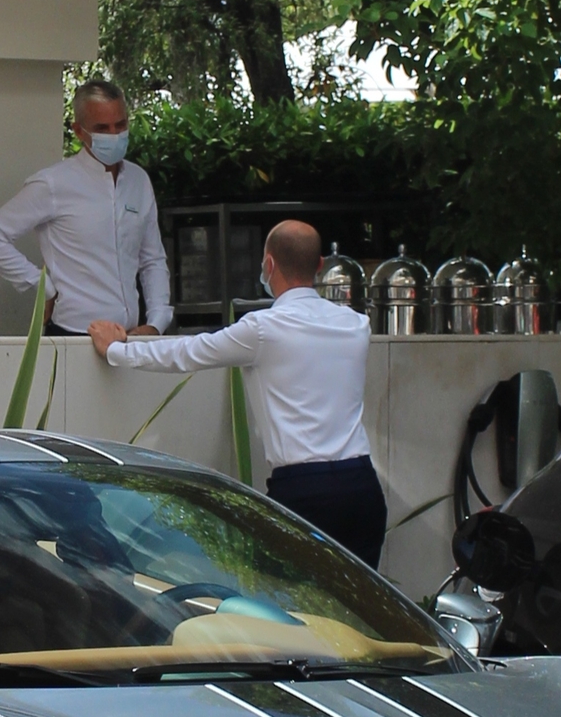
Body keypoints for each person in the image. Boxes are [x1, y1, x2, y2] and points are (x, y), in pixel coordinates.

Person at [87, 220, 386, 566]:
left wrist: (116, 350)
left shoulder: (263, 329)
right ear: (320, 265)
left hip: (304, 490)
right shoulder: (355, 324)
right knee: (363, 615)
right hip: (362, 486)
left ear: (269, 265)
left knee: (291, 608)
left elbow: (187, 353)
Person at [0, 79, 171, 338]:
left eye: (120, 125)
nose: (114, 135)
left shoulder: (138, 180)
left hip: (131, 337)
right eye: (102, 128)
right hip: (75, 335)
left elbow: (152, 259)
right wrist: (43, 286)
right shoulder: (53, 184)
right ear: (79, 131)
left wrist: (156, 323)